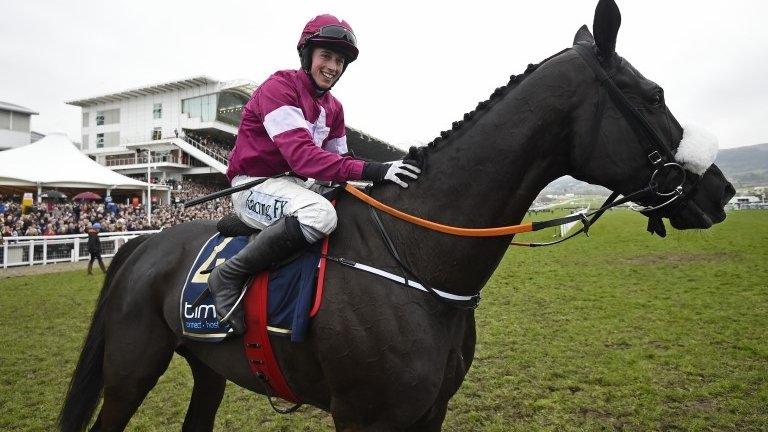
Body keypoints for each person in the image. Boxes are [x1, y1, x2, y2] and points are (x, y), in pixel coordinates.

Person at [208, 14, 420, 334]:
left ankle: (266, 225)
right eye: (326, 56)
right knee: (320, 216)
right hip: (251, 184)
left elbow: (339, 161)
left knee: (347, 205)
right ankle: (229, 274)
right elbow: (305, 158)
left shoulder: (334, 108)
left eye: (339, 60)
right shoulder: (279, 88)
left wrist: (387, 173)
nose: (333, 67)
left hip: (293, 185)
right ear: (307, 55)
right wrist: (378, 169)